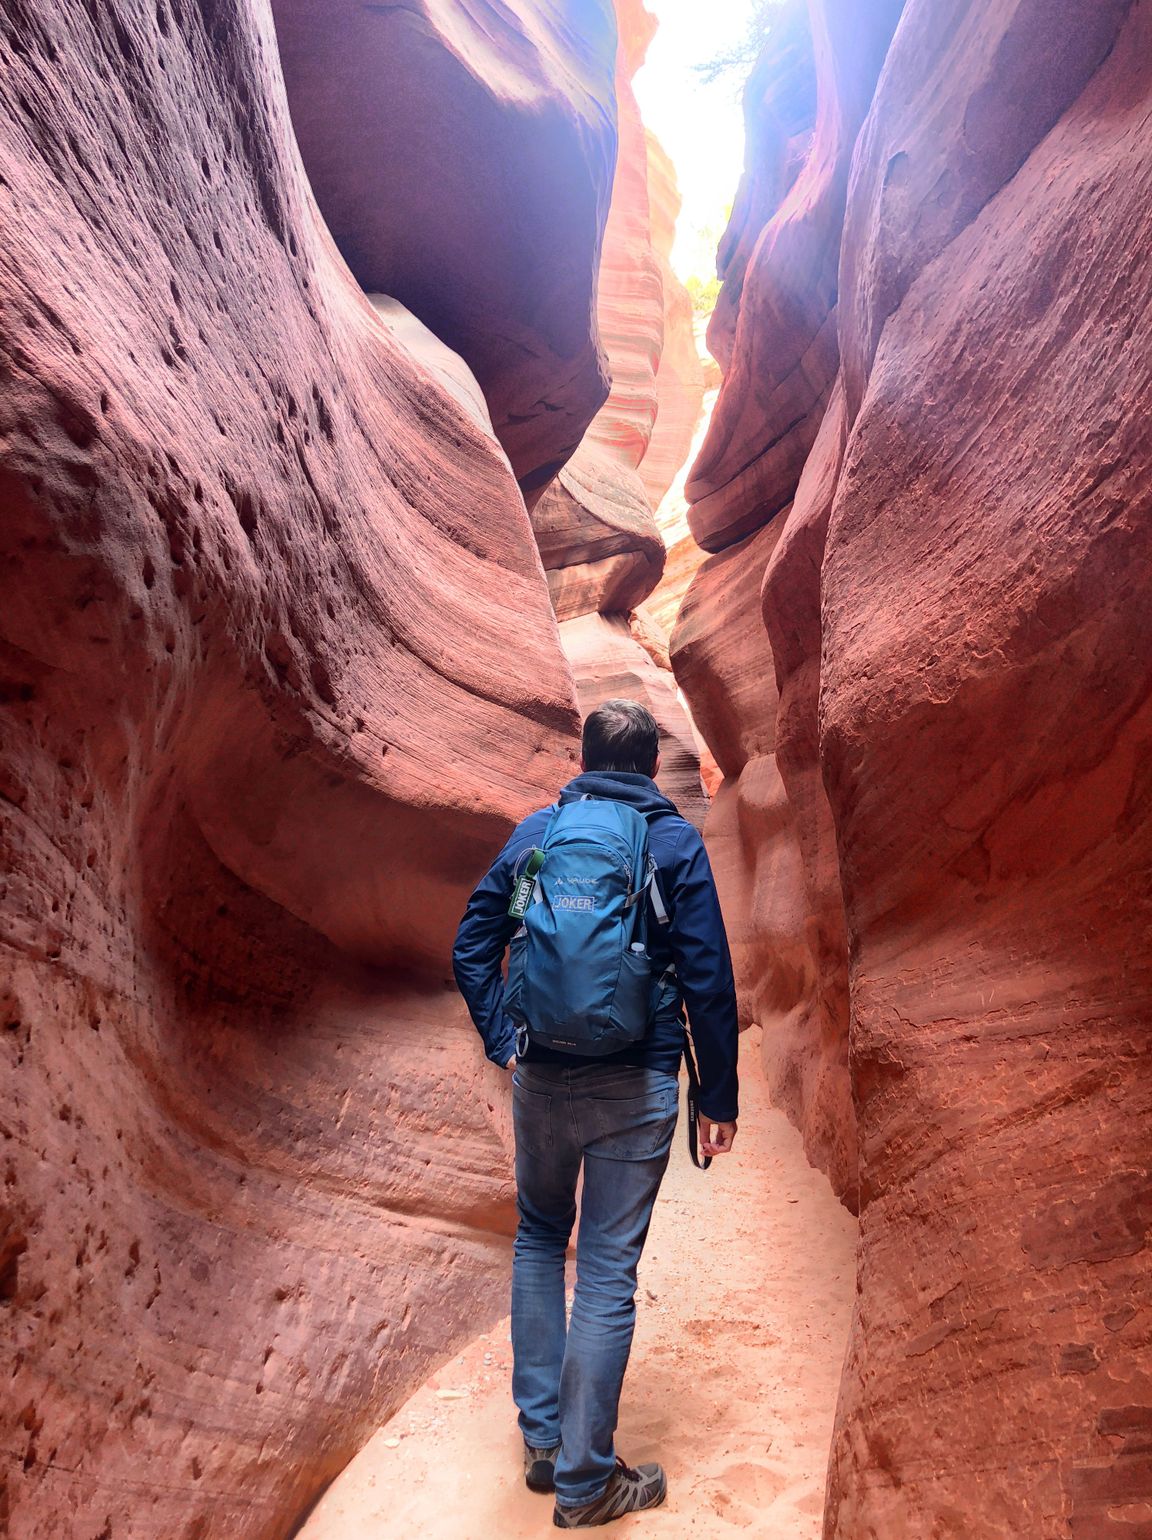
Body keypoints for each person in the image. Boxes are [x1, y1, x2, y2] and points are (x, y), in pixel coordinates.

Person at [453, 699, 739, 1529]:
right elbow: (709, 977)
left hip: (540, 1077)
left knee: (541, 1237)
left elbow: (474, 944)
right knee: (608, 1271)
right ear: (652, 768)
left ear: (583, 760)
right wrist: (716, 1098)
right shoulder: (672, 842)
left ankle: (544, 1441)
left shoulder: (537, 835)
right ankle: (585, 1484)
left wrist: (503, 1040)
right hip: (636, 1082)